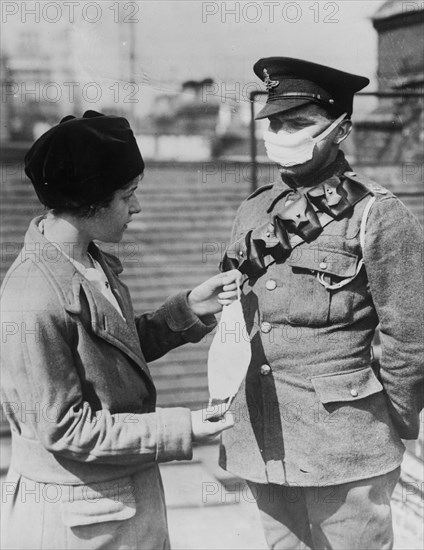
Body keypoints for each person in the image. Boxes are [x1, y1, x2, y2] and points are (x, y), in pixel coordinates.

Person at [0, 110, 240, 550]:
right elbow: (66, 429)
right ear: (90, 201)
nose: (138, 207)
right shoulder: (31, 297)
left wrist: (187, 310)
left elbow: (110, 356)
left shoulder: (88, 261)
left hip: (116, 512)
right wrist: (182, 427)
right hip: (76, 525)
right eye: (128, 195)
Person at [219, 57, 424, 550]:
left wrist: (383, 424)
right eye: (276, 123)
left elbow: (410, 337)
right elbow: (235, 313)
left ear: (341, 128)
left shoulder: (378, 213)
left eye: (299, 123)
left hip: (345, 443)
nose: (282, 133)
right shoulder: (254, 211)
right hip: (264, 439)